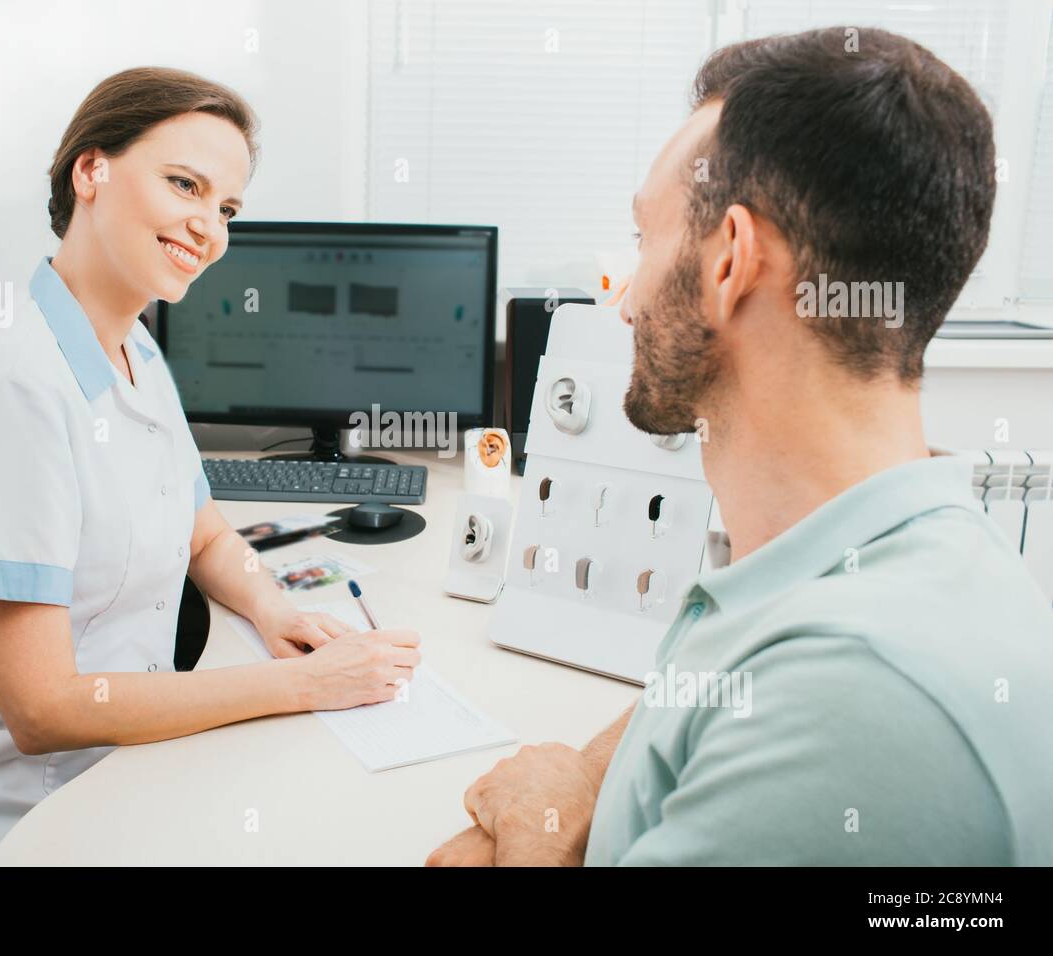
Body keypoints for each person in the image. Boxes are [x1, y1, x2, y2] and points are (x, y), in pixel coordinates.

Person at [428, 27, 1053, 867]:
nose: (625, 303)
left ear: (730, 261)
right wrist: (581, 780)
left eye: (645, 241)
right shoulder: (848, 561)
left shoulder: (858, 700)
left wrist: (534, 825)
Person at [0, 67, 420, 866]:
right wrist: (306, 686)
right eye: (185, 185)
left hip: (99, 774)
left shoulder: (135, 348)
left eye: (227, 208)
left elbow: (206, 535)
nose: (209, 227)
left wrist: (273, 608)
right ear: (91, 171)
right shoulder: (15, 386)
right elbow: (42, 708)